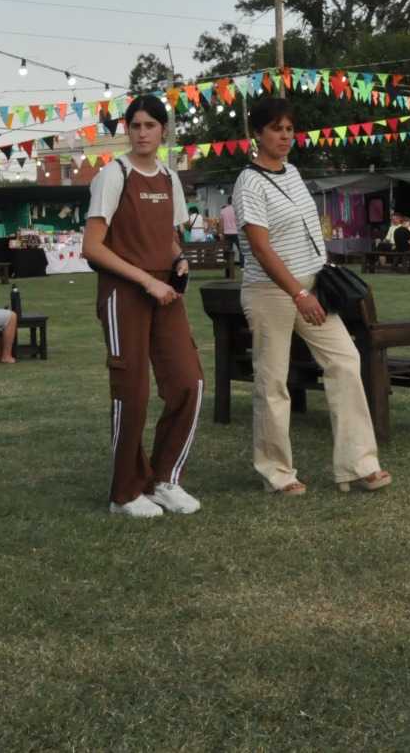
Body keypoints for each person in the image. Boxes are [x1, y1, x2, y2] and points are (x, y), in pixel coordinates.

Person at [233, 97, 390, 496]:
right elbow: (261, 248)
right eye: (276, 129)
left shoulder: (293, 172)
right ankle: (276, 472)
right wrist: (298, 292)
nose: (285, 136)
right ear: (258, 134)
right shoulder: (248, 183)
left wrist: (312, 282)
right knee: (273, 381)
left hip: (311, 287)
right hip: (272, 291)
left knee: (345, 360)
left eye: (289, 129)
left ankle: (358, 464)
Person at [81, 94, 204, 519]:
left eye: (150, 125)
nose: (142, 133)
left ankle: (163, 480)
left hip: (164, 292)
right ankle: (125, 492)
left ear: (164, 130)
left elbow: (167, 237)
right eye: (135, 125)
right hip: (125, 294)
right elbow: (92, 247)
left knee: (189, 382)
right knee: (132, 393)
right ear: (127, 130)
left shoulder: (169, 177)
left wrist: (178, 258)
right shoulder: (113, 175)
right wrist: (146, 280)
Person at [220, 199, 241, 269]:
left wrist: (221, 233)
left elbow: (221, 223)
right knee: (241, 250)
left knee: (227, 250)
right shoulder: (237, 210)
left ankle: (228, 265)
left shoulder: (223, 210)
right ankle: (242, 266)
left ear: (227, 202)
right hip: (236, 232)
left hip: (226, 233)